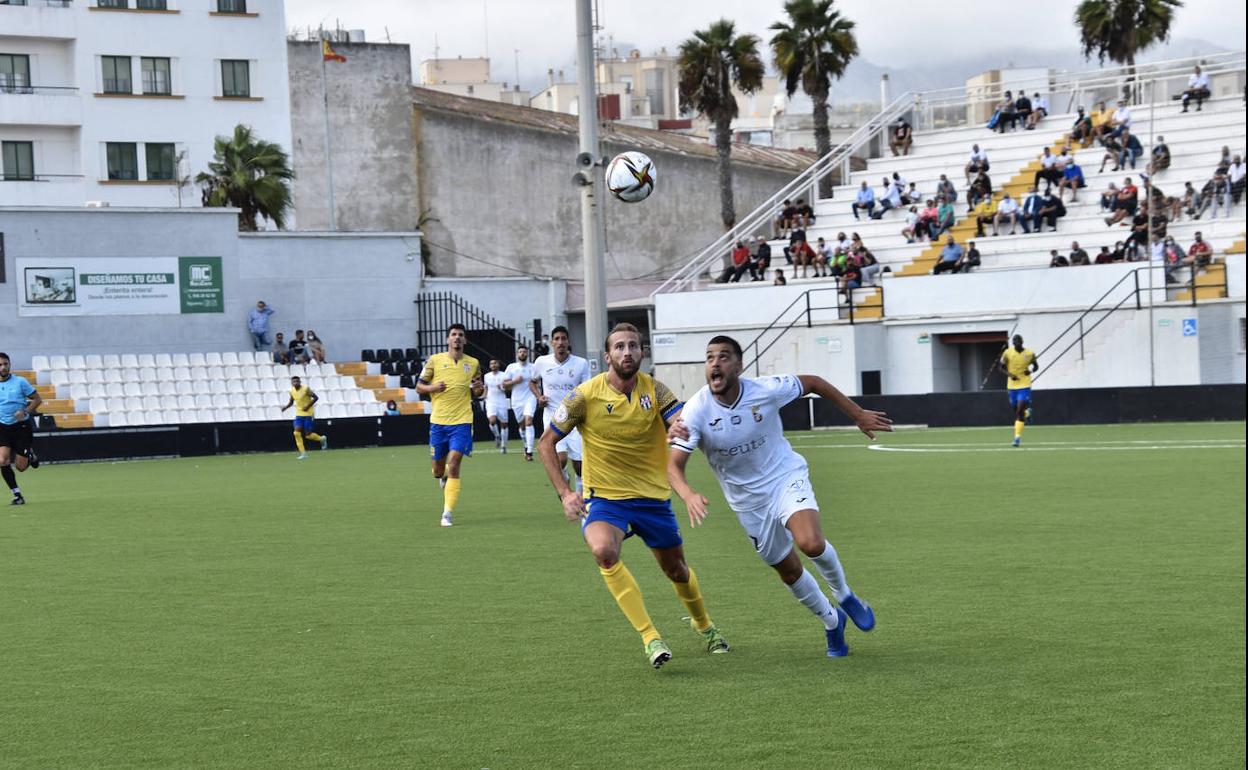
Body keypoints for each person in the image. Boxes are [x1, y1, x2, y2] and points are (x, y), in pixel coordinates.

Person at [667, 336, 891, 657]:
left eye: (724, 357)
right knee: (788, 571)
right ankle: (832, 623)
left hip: (785, 478)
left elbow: (813, 382)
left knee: (810, 542)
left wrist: (856, 414)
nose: (715, 363)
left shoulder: (765, 390)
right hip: (748, 505)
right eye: (710, 357)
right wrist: (687, 493)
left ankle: (845, 595)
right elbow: (673, 466)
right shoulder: (696, 412)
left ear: (739, 366)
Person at [538, 323, 729, 669]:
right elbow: (546, 442)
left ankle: (706, 627)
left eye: (634, 346)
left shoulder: (655, 390)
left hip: (653, 500)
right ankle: (650, 637)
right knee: (603, 551)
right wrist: (565, 492)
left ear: (642, 353)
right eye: (620, 347)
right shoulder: (583, 396)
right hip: (604, 499)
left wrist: (677, 426)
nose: (628, 352)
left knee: (677, 571)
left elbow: (677, 418)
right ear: (607, 355)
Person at [417, 323, 484, 527]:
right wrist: (433, 387)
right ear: (448, 339)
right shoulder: (435, 361)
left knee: (454, 463)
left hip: (462, 422)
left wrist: (479, 389)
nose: (457, 338)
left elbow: (478, 390)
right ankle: (442, 475)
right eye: (453, 335)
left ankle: (447, 513)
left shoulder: (473, 363)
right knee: (438, 470)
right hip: (438, 422)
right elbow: (419, 386)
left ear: (465, 340)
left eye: (460, 335)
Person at [531, 326, 591, 496]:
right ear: (552, 343)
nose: (560, 342)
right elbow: (532, 382)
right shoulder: (542, 362)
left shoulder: (580, 364)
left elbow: (587, 389)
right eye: (556, 339)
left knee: (579, 466)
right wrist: (539, 397)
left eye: (563, 338)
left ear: (568, 342)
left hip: (575, 419)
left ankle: (580, 498)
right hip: (552, 418)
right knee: (561, 459)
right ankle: (566, 483)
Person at [0, 352, 42, 505]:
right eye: (0, 365)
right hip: (3, 427)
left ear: (9, 365)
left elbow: (38, 399)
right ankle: (18, 495)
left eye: (5, 364)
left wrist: (24, 411)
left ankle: (30, 454)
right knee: (2, 460)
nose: (3, 367)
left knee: (21, 467)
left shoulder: (20, 382)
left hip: (21, 427)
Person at [999, 335, 1039, 447]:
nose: (1017, 344)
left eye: (1019, 342)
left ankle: (1017, 438)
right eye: (1015, 342)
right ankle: (1027, 413)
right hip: (1012, 386)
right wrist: (1010, 375)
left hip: (1025, 384)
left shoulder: (1030, 353)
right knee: (1017, 410)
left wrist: (1030, 371)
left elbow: (1036, 366)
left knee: (1019, 410)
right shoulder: (1007, 353)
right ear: (1012, 343)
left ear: (1022, 342)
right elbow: (1000, 367)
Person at [504, 345, 539, 460]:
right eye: (520, 352)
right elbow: (504, 385)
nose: (522, 353)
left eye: (524, 352)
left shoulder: (533, 367)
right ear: (517, 354)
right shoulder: (511, 367)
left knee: (529, 421)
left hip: (530, 397)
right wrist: (514, 381)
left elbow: (537, 382)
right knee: (522, 426)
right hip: (517, 400)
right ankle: (525, 445)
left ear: (527, 354)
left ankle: (529, 451)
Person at [280, 375, 327, 460]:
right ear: (292, 383)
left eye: (297, 381)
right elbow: (291, 402)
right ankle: (303, 454)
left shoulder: (306, 389)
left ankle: (321, 439)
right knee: (296, 433)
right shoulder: (292, 391)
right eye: (294, 382)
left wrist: (308, 407)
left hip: (308, 413)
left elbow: (316, 397)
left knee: (308, 435)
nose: (296, 383)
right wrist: (285, 407)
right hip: (299, 414)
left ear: (300, 382)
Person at [482, 358, 511, 451]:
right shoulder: (486, 376)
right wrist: (483, 396)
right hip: (490, 401)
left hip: (501, 401)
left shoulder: (504, 375)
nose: (493, 365)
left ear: (498, 365)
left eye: (495, 363)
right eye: (491, 364)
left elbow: (508, 388)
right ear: (490, 366)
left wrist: (502, 387)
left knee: (504, 424)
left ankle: (503, 446)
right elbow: (486, 388)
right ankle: (497, 436)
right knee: (492, 421)